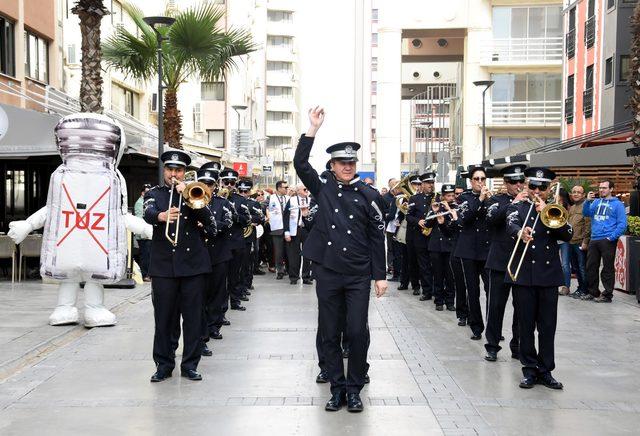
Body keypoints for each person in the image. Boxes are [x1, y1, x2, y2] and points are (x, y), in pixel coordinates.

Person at [294, 106, 387, 413]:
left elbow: (377, 237)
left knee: (358, 332)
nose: (347, 166)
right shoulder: (323, 190)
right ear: (331, 165)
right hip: (330, 272)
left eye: (351, 162)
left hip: (358, 274)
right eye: (341, 162)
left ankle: (355, 387)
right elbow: (300, 164)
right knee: (330, 331)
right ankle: (337, 388)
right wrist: (313, 129)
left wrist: (380, 275)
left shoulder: (368, 195)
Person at [143, 150, 217, 382]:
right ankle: (163, 365)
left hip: (193, 266)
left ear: (185, 172)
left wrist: (189, 197)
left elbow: (211, 224)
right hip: (164, 267)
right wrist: (161, 216)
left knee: (193, 319)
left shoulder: (195, 194)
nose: (173, 174)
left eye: (178, 170)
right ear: (164, 170)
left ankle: (190, 365)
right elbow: (147, 212)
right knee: (164, 319)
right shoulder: (154, 194)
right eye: (170, 169)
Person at [505, 167, 572, 389]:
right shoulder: (518, 206)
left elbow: (568, 235)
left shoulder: (555, 209)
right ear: (526, 186)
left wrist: (546, 211)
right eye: (532, 186)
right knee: (525, 325)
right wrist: (519, 233)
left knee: (547, 325)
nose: (536, 191)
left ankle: (546, 370)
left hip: (548, 276)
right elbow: (510, 222)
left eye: (542, 187)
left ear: (549, 188)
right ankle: (529, 370)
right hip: (524, 275)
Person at [483, 164, 527, 362]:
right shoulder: (496, 201)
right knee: (496, 307)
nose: (518, 185)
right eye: (513, 182)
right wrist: (513, 203)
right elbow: (491, 220)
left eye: (521, 181)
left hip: (523, 261)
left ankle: (518, 346)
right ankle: (492, 345)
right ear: (506, 183)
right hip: (500, 261)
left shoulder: (531, 202)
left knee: (522, 308)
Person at [196, 165, 233, 349]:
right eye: (202, 183)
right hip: (198, 256)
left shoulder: (223, 203)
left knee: (217, 293)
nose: (206, 187)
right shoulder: (191, 200)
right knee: (199, 296)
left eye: (209, 184)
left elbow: (227, 223)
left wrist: (206, 226)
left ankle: (213, 326)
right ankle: (202, 334)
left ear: (215, 186)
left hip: (219, 254)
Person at [454, 165, 490, 340]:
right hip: (468, 250)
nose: (480, 182)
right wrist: (481, 199)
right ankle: (476, 326)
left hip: (487, 250)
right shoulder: (464, 198)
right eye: (477, 179)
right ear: (471, 181)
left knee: (492, 290)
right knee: (473, 290)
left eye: (483, 179)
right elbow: (464, 218)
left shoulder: (492, 198)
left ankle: (493, 327)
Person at [582, 180, 627, 303]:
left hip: (607, 239)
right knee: (591, 267)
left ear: (611, 189)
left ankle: (607, 295)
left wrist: (611, 237)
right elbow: (586, 213)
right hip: (594, 238)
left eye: (605, 188)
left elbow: (622, 224)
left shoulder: (618, 205)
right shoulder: (596, 202)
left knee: (607, 268)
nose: (601, 190)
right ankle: (593, 292)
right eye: (600, 187)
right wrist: (587, 201)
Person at [220, 169, 252, 311]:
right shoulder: (214, 198)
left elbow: (247, 221)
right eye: (226, 182)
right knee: (220, 278)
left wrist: (235, 216)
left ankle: (235, 300)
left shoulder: (240, 200)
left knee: (235, 274)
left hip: (236, 242)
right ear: (221, 182)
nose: (229, 185)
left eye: (232, 182)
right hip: (220, 243)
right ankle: (221, 307)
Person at [424, 184, 458, 311]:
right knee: (437, 275)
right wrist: (434, 211)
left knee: (450, 276)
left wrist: (448, 208)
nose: (451, 198)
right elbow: (427, 223)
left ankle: (450, 301)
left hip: (449, 246)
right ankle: (439, 301)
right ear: (443, 196)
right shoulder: (435, 206)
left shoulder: (456, 207)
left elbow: (456, 224)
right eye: (448, 196)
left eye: (452, 195)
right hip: (435, 246)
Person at [406, 172, 436, 300]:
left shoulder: (437, 197)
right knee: (423, 265)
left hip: (434, 236)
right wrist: (418, 221)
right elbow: (408, 216)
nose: (431, 185)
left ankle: (436, 290)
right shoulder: (415, 199)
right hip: (420, 236)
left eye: (432, 182)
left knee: (435, 265)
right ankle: (427, 291)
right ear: (422, 184)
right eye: (428, 183)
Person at [238, 179, 266, 296]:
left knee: (247, 261)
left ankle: (246, 284)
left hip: (249, 235)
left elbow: (260, 218)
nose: (244, 193)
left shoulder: (254, 203)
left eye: (246, 191)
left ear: (250, 191)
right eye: (241, 191)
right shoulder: (234, 201)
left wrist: (250, 221)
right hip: (236, 235)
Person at [283, 184, 313, 285]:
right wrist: (286, 232)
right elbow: (286, 217)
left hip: (307, 230)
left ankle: (306, 277)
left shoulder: (311, 201)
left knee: (308, 254)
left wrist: (307, 215)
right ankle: (294, 277)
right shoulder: (292, 200)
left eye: (307, 189)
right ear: (298, 191)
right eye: (305, 189)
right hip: (294, 229)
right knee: (293, 254)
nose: (307, 191)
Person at [397, 175, 423, 292]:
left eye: (418, 184)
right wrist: (405, 209)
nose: (416, 187)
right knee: (406, 258)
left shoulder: (423, 198)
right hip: (407, 231)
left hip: (419, 230)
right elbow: (401, 215)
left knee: (417, 260)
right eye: (414, 184)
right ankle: (404, 282)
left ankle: (416, 284)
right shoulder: (405, 198)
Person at [564, 185, 590, 298]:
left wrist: (585, 241)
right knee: (576, 268)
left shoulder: (586, 206)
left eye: (579, 192)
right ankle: (580, 288)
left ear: (583, 195)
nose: (576, 194)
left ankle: (585, 290)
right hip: (571, 242)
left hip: (580, 242)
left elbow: (588, 226)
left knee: (582, 267)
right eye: (574, 192)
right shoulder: (573, 207)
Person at [450, 185, 469, 326]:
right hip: (457, 251)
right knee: (461, 285)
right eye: (456, 194)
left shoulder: (470, 208)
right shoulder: (451, 210)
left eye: (462, 194)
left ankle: (475, 317)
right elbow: (447, 231)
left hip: (473, 252)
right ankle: (462, 314)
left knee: (473, 288)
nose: (458, 196)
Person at [268, 180, 290, 279]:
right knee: (278, 252)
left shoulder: (288, 198)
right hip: (276, 228)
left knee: (289, 251)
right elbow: (263, 207)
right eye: (285, 187)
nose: (287, 189)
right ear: (279, 188)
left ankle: (289, 270)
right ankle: (280, 271)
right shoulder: (270, 198)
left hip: (288, 228)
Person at [134, 183, 152, 281]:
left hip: (148, 233)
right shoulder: (139, 203)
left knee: (149, 254)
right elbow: (140, 219)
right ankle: (145, 275)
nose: (149, 193)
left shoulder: (147, 201)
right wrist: (144, 233)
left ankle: (148, 274)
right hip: (143, 234)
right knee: (145, 254)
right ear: (142, 193)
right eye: (146, 191)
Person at [383, 178, 399, 278]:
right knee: (390, 248)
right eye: (393, 185)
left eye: (396, 185)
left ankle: (397, 268)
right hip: (389, 226)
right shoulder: (385, 197)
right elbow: (383, 211)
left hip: (399, 227)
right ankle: (390, 267)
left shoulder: (401, 197)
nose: (395, 187)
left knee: (398, 249)